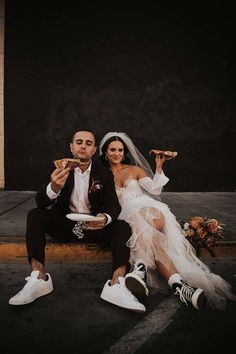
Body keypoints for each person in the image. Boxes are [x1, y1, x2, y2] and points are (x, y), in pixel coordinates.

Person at [8, 130, 146, 313]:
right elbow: (41, 202)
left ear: (94, 149)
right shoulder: (60, 168)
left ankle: (117, 283)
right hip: (65, 225)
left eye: (88, 143)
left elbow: (113, 205)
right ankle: (39, 277)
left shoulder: (103, 173)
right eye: (79, 142)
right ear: (71, 147)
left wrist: (104, 218)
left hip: (94, 226)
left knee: (122, 225)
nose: (83, 146)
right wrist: (53, 188)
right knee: (35, 215)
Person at [99, 131, 236, 310]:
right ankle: (179, 285)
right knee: (152, 240)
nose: (117, 153)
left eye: (120, 150)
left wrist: (159, 167)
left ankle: (140, 268)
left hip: (149, 211)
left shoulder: (134, 170)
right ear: (105, 152)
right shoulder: (102, 175)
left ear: (125, 152)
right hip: (127, 218)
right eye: (112, 150)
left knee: (142, 217)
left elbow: (155, 190)